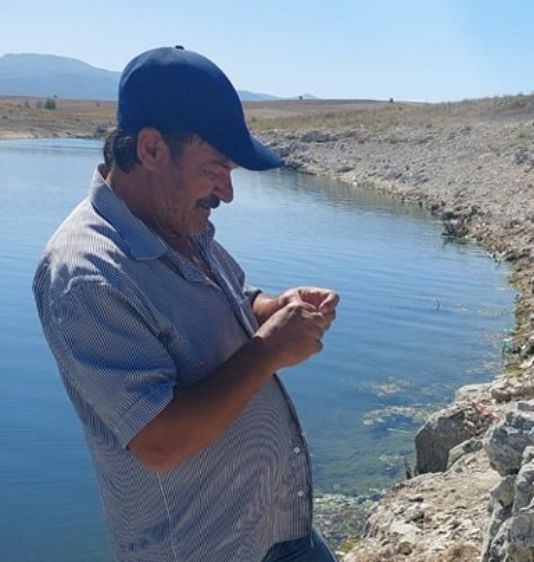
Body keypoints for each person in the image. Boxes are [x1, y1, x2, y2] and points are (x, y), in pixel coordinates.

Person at [33, 46, 340, 562]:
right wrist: (268, 350)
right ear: (151, 149)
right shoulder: (84, 275)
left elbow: (231, 301)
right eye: (216, 168)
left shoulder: (179, 222)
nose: (227, 192)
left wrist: (274, 308)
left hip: (281, 530)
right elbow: (159, 440)